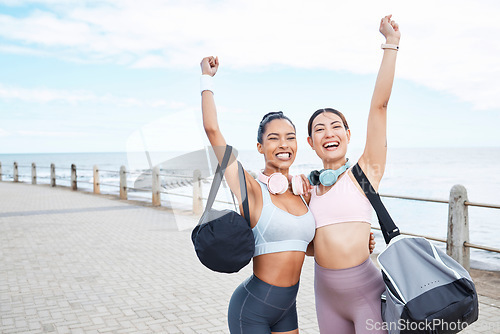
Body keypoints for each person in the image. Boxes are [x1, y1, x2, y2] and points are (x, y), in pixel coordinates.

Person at [200, 55, 315, 334]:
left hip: (288, 308)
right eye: (273, 138)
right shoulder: (250, 188)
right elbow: (212, 130)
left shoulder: (302, 193)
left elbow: (306, 247)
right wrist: (206, 78)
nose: (284, 144)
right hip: (251, 310)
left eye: (290, 136)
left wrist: (362, 244)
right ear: (260, 147)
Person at [306, 15, 400, 334]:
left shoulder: (366, 172)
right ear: (311, 142)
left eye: (336, 126)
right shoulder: (307, 188)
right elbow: (306, 245)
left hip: (366, 295)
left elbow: (379, 108)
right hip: (325, 295)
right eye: (320, 129)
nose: (328, 133)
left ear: (348, 134)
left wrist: (391, 44)